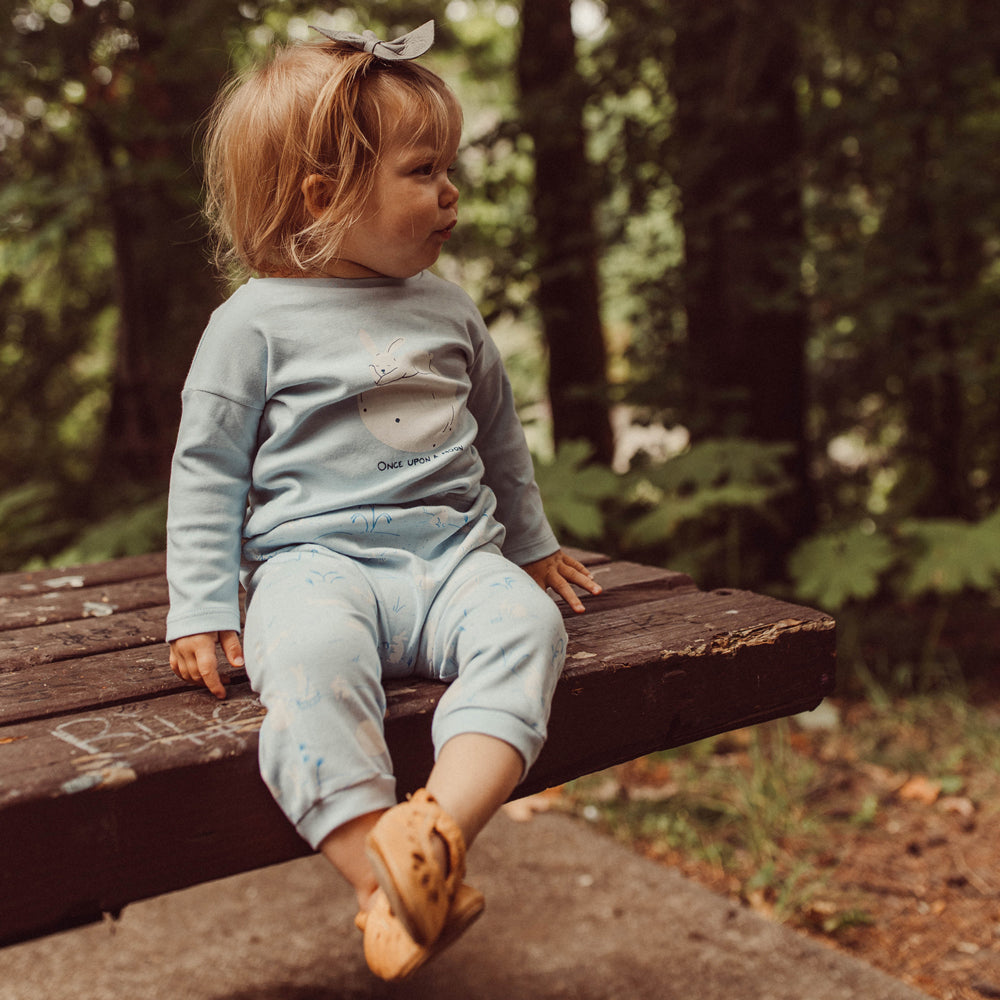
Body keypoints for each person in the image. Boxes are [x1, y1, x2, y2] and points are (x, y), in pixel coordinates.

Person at [165, 20, 602, 983]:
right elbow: (206, 472)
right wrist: (200, 606)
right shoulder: (253, 323)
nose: (451, 192)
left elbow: (498, 436)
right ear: (326, 199)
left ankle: (438, 826)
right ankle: (376, 865)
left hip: (453, 561)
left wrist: (530, 546)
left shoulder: (448, 307)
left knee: (530, 629)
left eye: (448, 166)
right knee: (308, 665)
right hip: (314, 570)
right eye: (422, 171)